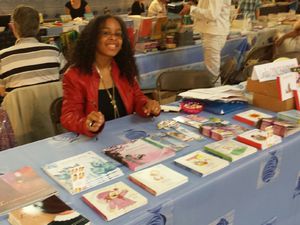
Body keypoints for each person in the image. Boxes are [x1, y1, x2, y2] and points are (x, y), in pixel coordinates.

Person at [61, 15, 161, 137]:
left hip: (127, 137)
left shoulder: (123, 67)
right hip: (94, 141)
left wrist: (147, 105)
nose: (113, 38)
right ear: (93, 38)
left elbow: (137, 98)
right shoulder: (74, 75)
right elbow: (69, 116)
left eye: (118, 34)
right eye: (106, 33)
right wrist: (86, 123)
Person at [0, 5, 67, 98]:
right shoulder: (54, 51)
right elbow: (65, 83)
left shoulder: (2, 57)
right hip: (51, 111)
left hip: (18, 111)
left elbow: (2, 92)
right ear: (38, 27)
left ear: (13, 27)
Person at [180, 0, 231, 86]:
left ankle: (215, 96)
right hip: (212, 32)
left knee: (212, 73)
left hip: (213, 33)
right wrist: (194, 6)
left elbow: (212, 14)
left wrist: (192, 9)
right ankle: (213, 94)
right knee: (212, 70)